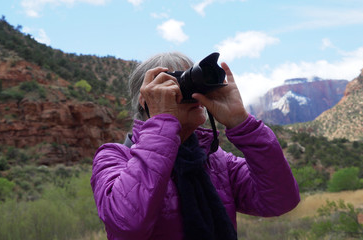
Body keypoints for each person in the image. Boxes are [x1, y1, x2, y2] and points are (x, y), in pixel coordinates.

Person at [90, 52, 300, 240]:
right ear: (147, 101)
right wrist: (162, 122)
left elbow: (280, 200)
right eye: (179, 85)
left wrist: (242, 123)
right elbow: (127, 224)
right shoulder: (113, 157)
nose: (194, 92)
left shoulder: (215, 159)